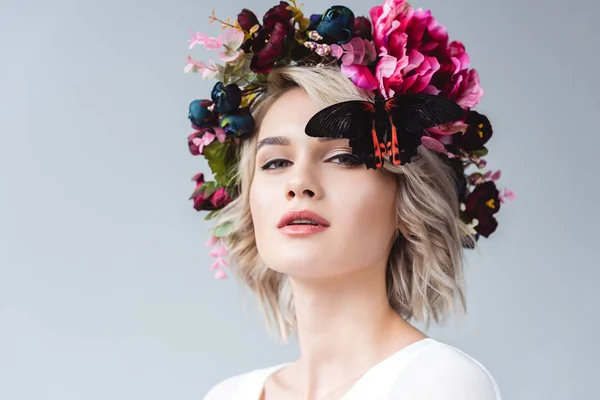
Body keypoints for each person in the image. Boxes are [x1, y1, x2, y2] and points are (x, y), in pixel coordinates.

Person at [185, 1, 510, 399]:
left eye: (344, 157)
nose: (299, 183)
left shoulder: (439, 383)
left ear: (407, 200)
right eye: (275, 163)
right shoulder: (227, 395)